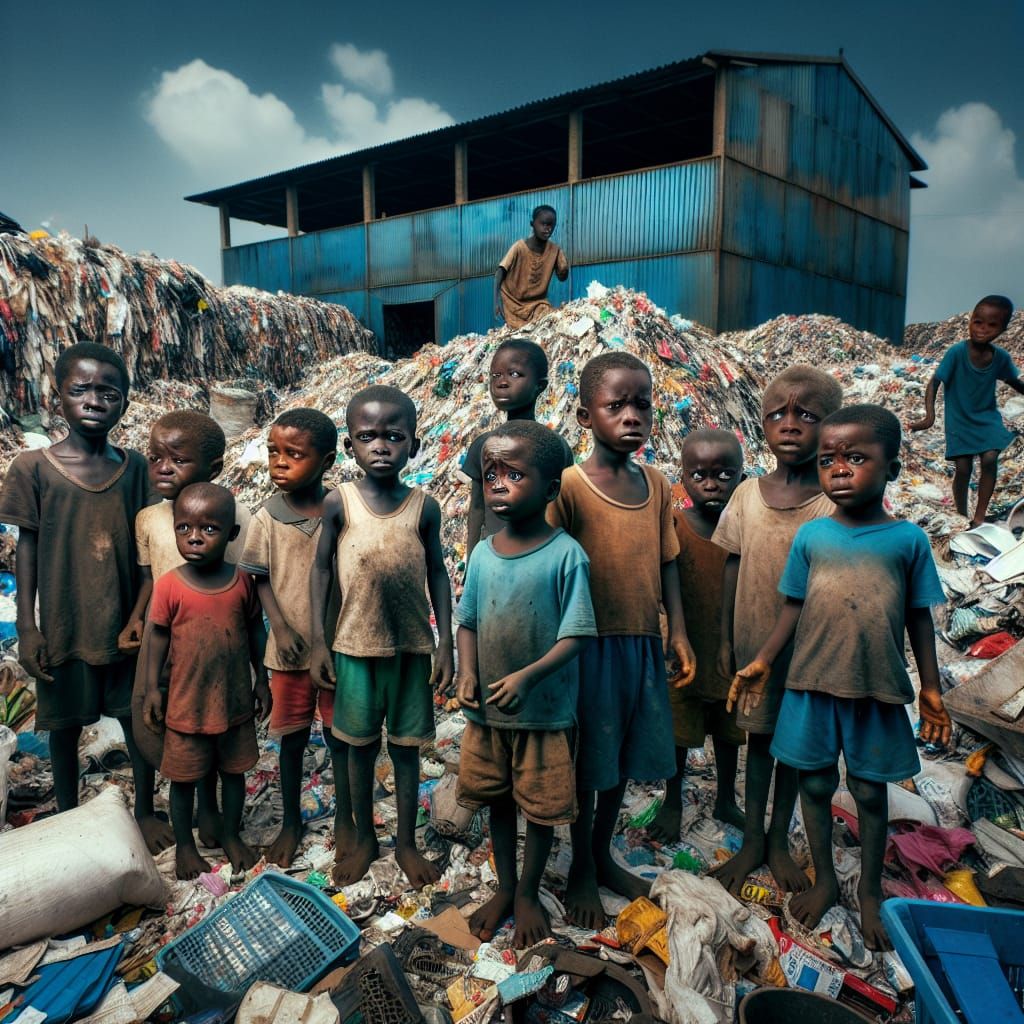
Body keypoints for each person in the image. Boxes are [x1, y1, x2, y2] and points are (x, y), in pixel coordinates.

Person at [729, 404, 951, 950]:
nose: (840, 469)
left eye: (856, 458)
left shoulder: (908, 541)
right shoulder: (813, 538)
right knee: (815, 784)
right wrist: (763, 659)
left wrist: (930, 688)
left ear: (892, 467)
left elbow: (919, 617)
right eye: (828, 460)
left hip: (874, 688)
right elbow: (792, 607)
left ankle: (870, 890)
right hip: (811, 684)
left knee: (870, 792)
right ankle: (826, 879)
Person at [548, 351, 696, 929]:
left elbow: (668, 563)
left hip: (639, 643)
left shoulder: (655, 485)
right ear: (586, 417)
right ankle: (581, 865)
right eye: (617, 405)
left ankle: (602, 852)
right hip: (587, 647)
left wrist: (677, 630)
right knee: (589, 761)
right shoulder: (568, 486)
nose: (632, 415)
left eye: (642, 404)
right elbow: (547, 562)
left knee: (620, 759)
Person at [0, 343, 164, 845]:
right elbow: (27, 549)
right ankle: (70, 816)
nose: (94, 400)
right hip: (65, 625)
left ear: (125, 403)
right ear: (59, 397)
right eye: (81, 390)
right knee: (64, 725)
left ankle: (145, 809)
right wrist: (28, 627)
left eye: (108, 393)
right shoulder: (32, 467)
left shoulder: (137, 469)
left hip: (126, 625)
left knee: (136, 721)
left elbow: (149, 549)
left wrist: (142, 617)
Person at [455, 420, 597, 947]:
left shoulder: (566, 555)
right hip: (489, 713)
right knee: (497, 800)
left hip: (543, 715)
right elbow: (467, 622)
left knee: (539, 809)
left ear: (551, 488)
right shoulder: (482, 553)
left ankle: (529, 892)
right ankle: (506, 887)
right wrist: (468, 672)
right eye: (491, 474)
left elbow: (577, 635)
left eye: (514, 474)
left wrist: (528, 677)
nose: (498, 484)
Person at [310, 385, 454, 889]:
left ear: (414, 444)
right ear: (350, 445)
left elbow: (438, 573)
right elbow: (321, 571)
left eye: (394, 436)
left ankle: (406, 843)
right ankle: (366, 837)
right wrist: (318, 641)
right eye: (367, 436)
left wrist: (446, 643)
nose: (381, 446)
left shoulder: (424, 507)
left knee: (407, 750)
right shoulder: (339, 502)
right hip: (354, 647)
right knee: (358, 749)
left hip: (411, 648)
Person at [712, 365, 842, 898]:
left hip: (808, 653)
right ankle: (751, 840)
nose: (789, 424)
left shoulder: (834, 503)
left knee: (795, 747)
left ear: (831, 425)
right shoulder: (746, 494)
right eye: (777, 414)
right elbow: (732, 566)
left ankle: (779, 840)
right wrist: (725, 639)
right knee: (759, 740)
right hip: (753, 647)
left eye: (806, 415)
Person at [120, 410, 250, 850]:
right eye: (155, 458)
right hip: (165, 642)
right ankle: (167, 813)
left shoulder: (234, 515)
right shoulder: (148, 519)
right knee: (164, 729)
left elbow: (244, 586)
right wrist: (137, 618)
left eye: (177, 460)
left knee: (215, 725)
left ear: (213, 468)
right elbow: (149, 580)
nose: (163, 468)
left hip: (214, 645)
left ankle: (211, 813)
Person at [143, 483, 271, 879]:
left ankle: (230, 834)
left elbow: (256, 633)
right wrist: (152, 689)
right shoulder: (169, 585)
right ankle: (186, 847)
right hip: (187, 706)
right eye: (184, 528)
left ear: (232, 534)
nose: (194, 537)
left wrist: (262, 680)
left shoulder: (242, 583)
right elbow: (157, 638)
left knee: (234, 773)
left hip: (234, 704)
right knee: (183, 780)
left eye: (209, 529)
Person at [239, 408, 340, 868]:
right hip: (288, 649)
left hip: (336, 647)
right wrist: (278, 627)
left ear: (326, 461)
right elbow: (259, 577)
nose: (279, 462)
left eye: (294, 454)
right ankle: (291, 822)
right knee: (293, 738)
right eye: (273, 452)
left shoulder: (341, 509)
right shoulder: (267, 517)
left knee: (340, 735)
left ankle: (347, 817)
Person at [648, 429, 746, 844]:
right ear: (682, 478)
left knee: (729, 728)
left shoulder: (743, 529)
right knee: (679, 730)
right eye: (699, 475)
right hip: (683, 649)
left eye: (724, 475)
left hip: (730, 649)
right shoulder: (674, 526)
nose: (711, 484)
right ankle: (673, 800)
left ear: (741, 478)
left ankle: (726, 798)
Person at [910, 295, 1024, 527]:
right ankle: (961, 515)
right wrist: (929, 417)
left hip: (987, 417)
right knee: (963, 468)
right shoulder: (956, 353)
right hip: (959, 419)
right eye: (978, 322)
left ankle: (979, 516)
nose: (982, 329)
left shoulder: (1000, 358)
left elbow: (1014, 382)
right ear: (970, 321)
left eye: (992, 325)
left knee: (990, 458)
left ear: (1003, 330)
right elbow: (934, 382)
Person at [463, 338, 573, 562]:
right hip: (493, 560)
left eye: (514, 374)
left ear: (540, 386)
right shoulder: (483, 445)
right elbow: (477, 509)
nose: (502, 383)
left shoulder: (554, 447)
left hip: (542, 560)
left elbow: (565, 509)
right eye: (496, 375)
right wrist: (472, 563)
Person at [493, 205, 569, 329]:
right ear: (532, 224)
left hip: (537, 303)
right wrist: (496, 302)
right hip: (513, 303)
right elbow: (500, 271)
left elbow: (562, 277)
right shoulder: (519, 247)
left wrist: (564, 268)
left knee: (548, 320)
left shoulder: (555, 251)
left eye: (551, 225)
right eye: (543, 224)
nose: (547, 229)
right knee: (519, 333)